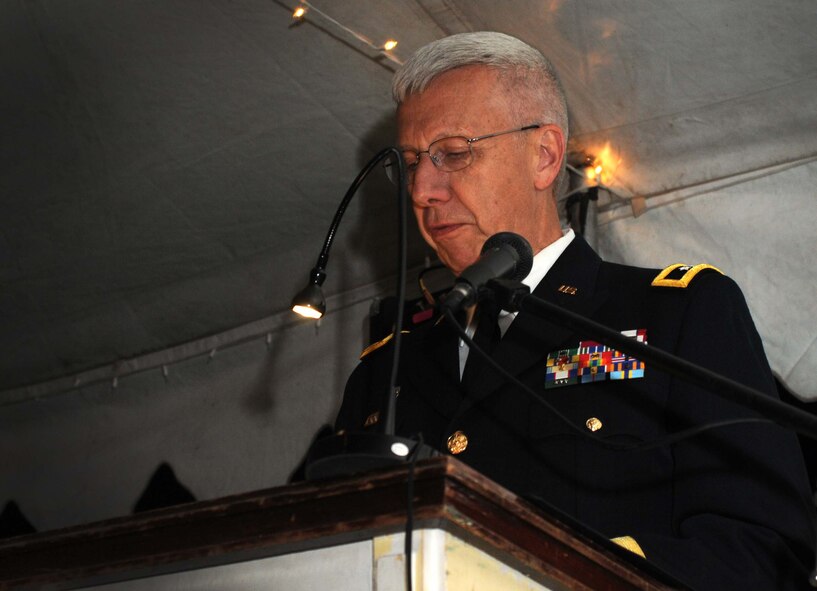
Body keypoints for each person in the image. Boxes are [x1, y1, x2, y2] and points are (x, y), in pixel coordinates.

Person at [335, 32, 815, 590]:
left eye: (454, 154)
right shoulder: (387, 364)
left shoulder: (675, 314)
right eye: (411, 163)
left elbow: (763, 545)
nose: (421, 189)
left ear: (544, 156)